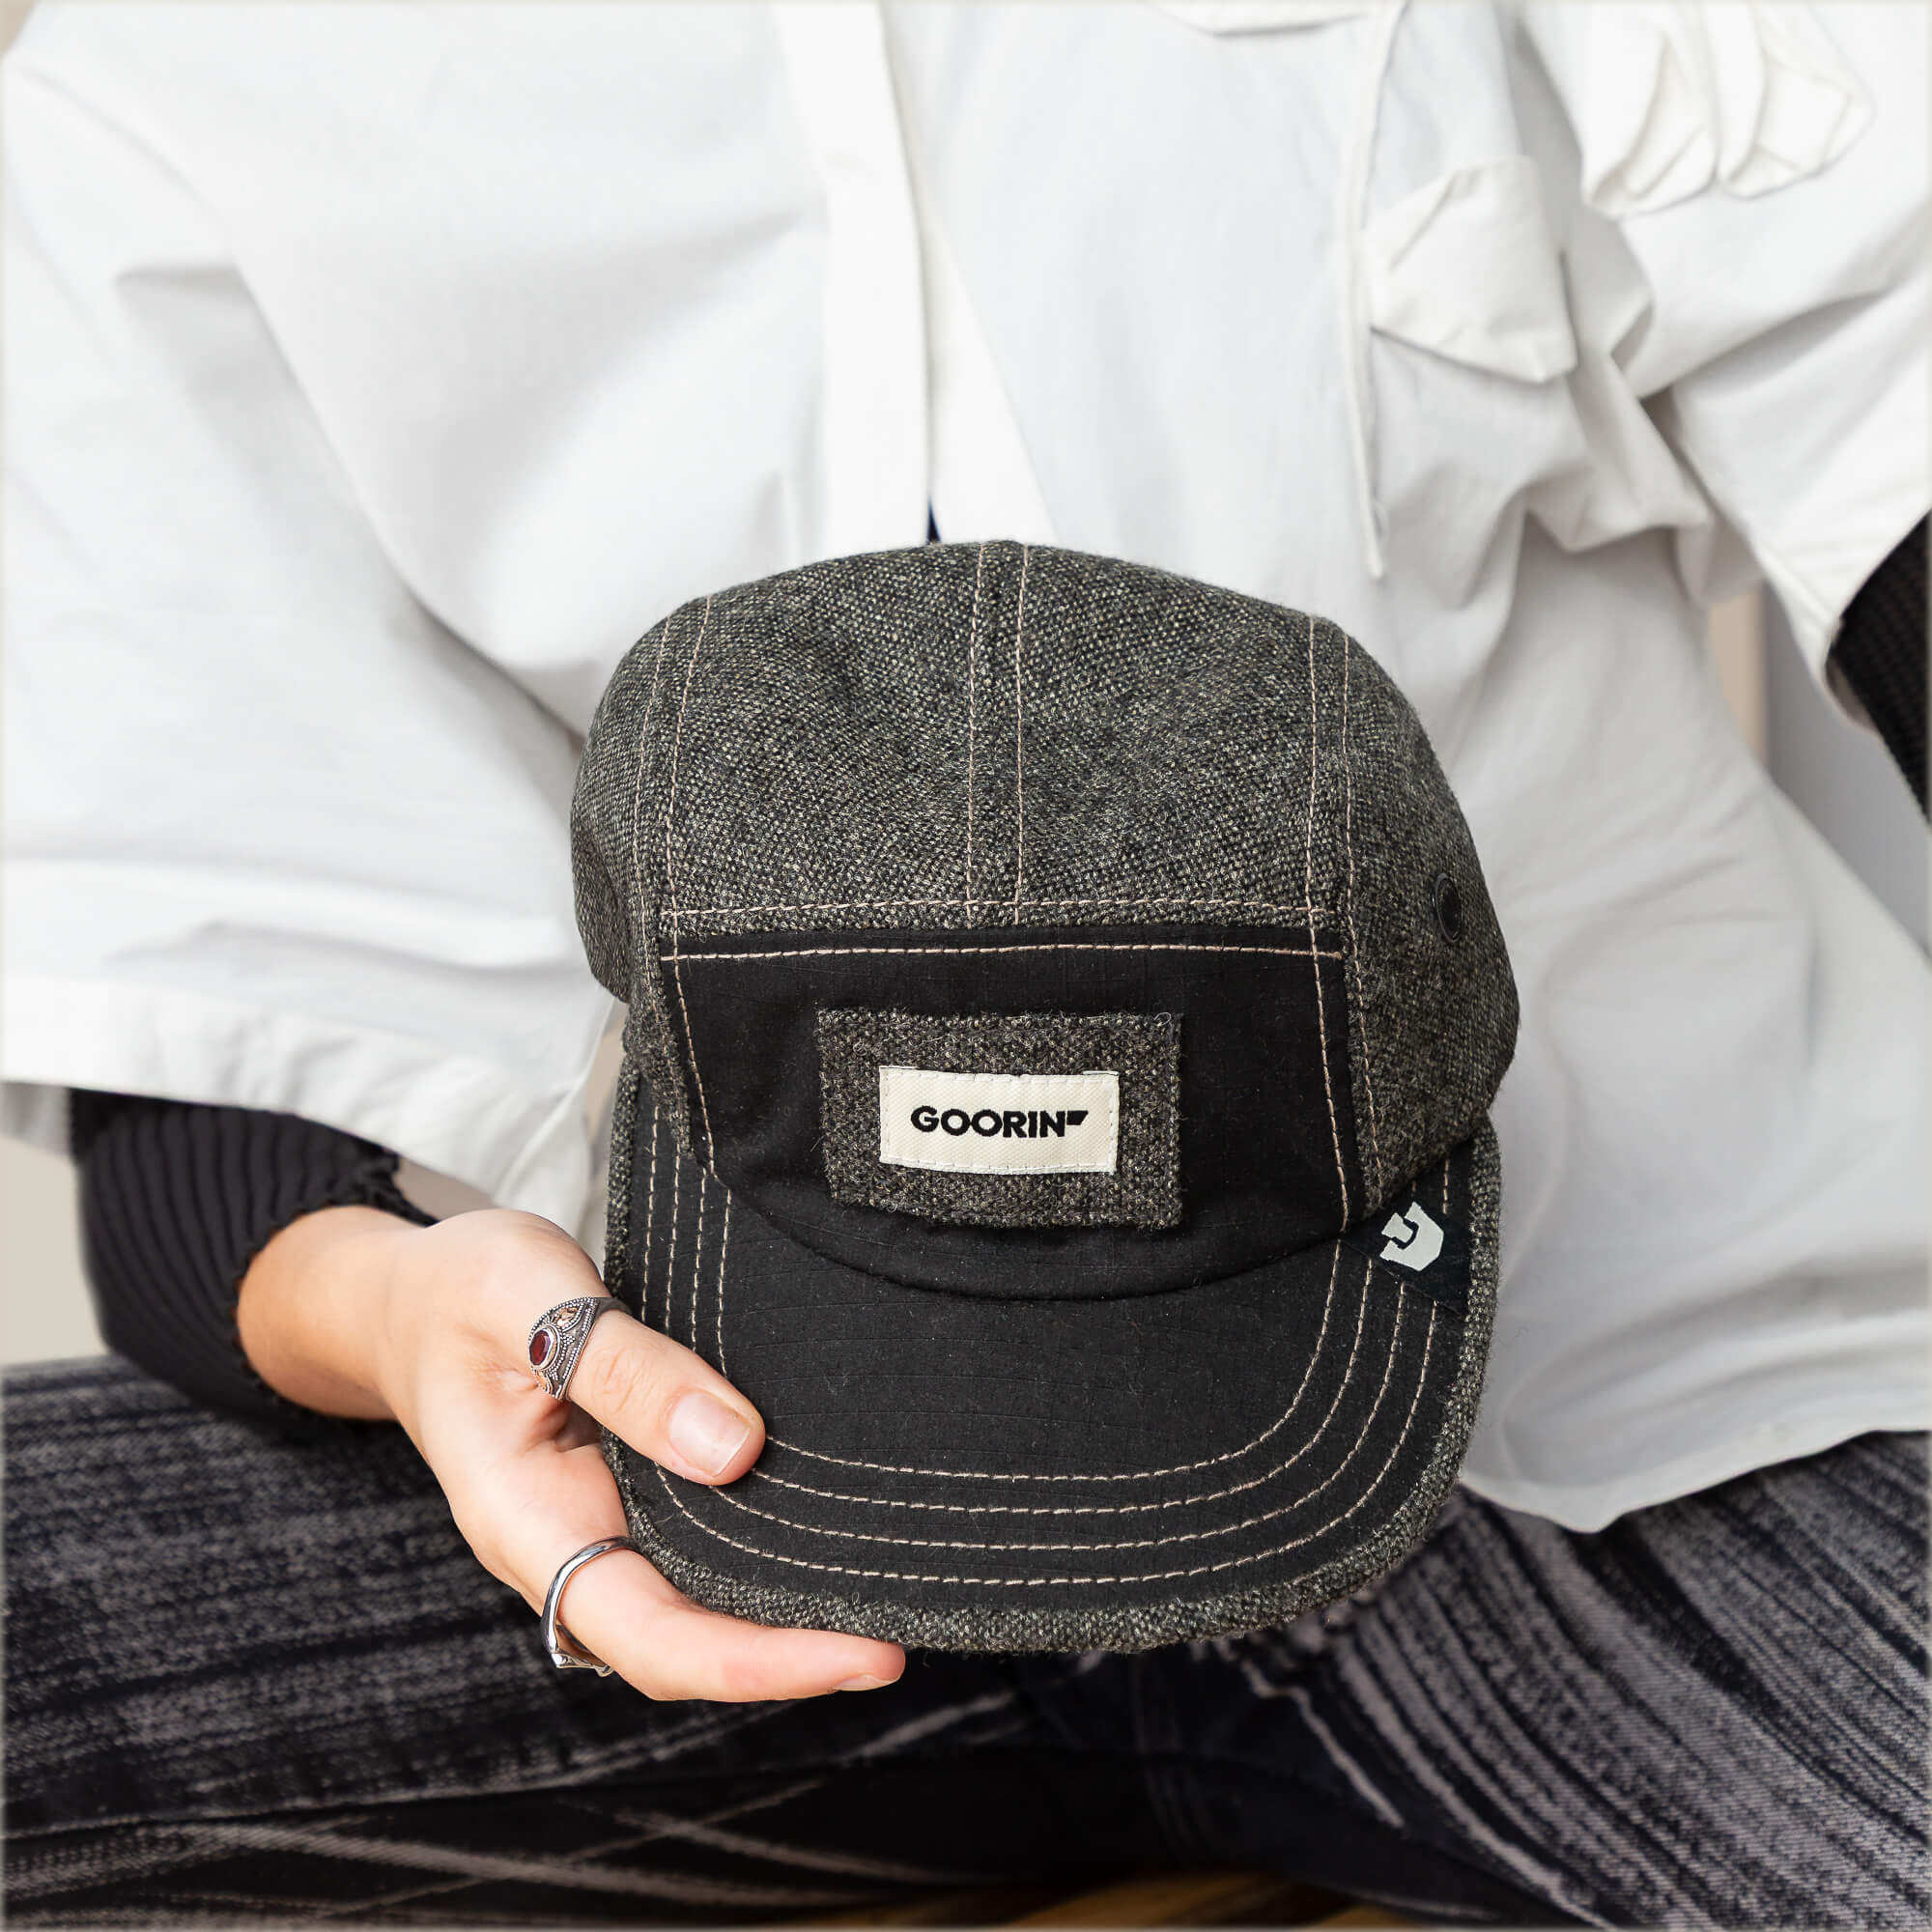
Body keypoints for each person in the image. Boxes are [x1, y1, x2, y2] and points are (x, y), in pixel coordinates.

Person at [4, 2, 1925, 1922]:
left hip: (1609, 1395)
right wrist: (405, 1314)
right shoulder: (172, 78)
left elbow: (1891, 405)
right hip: (739, 1430)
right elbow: (216, 1062)